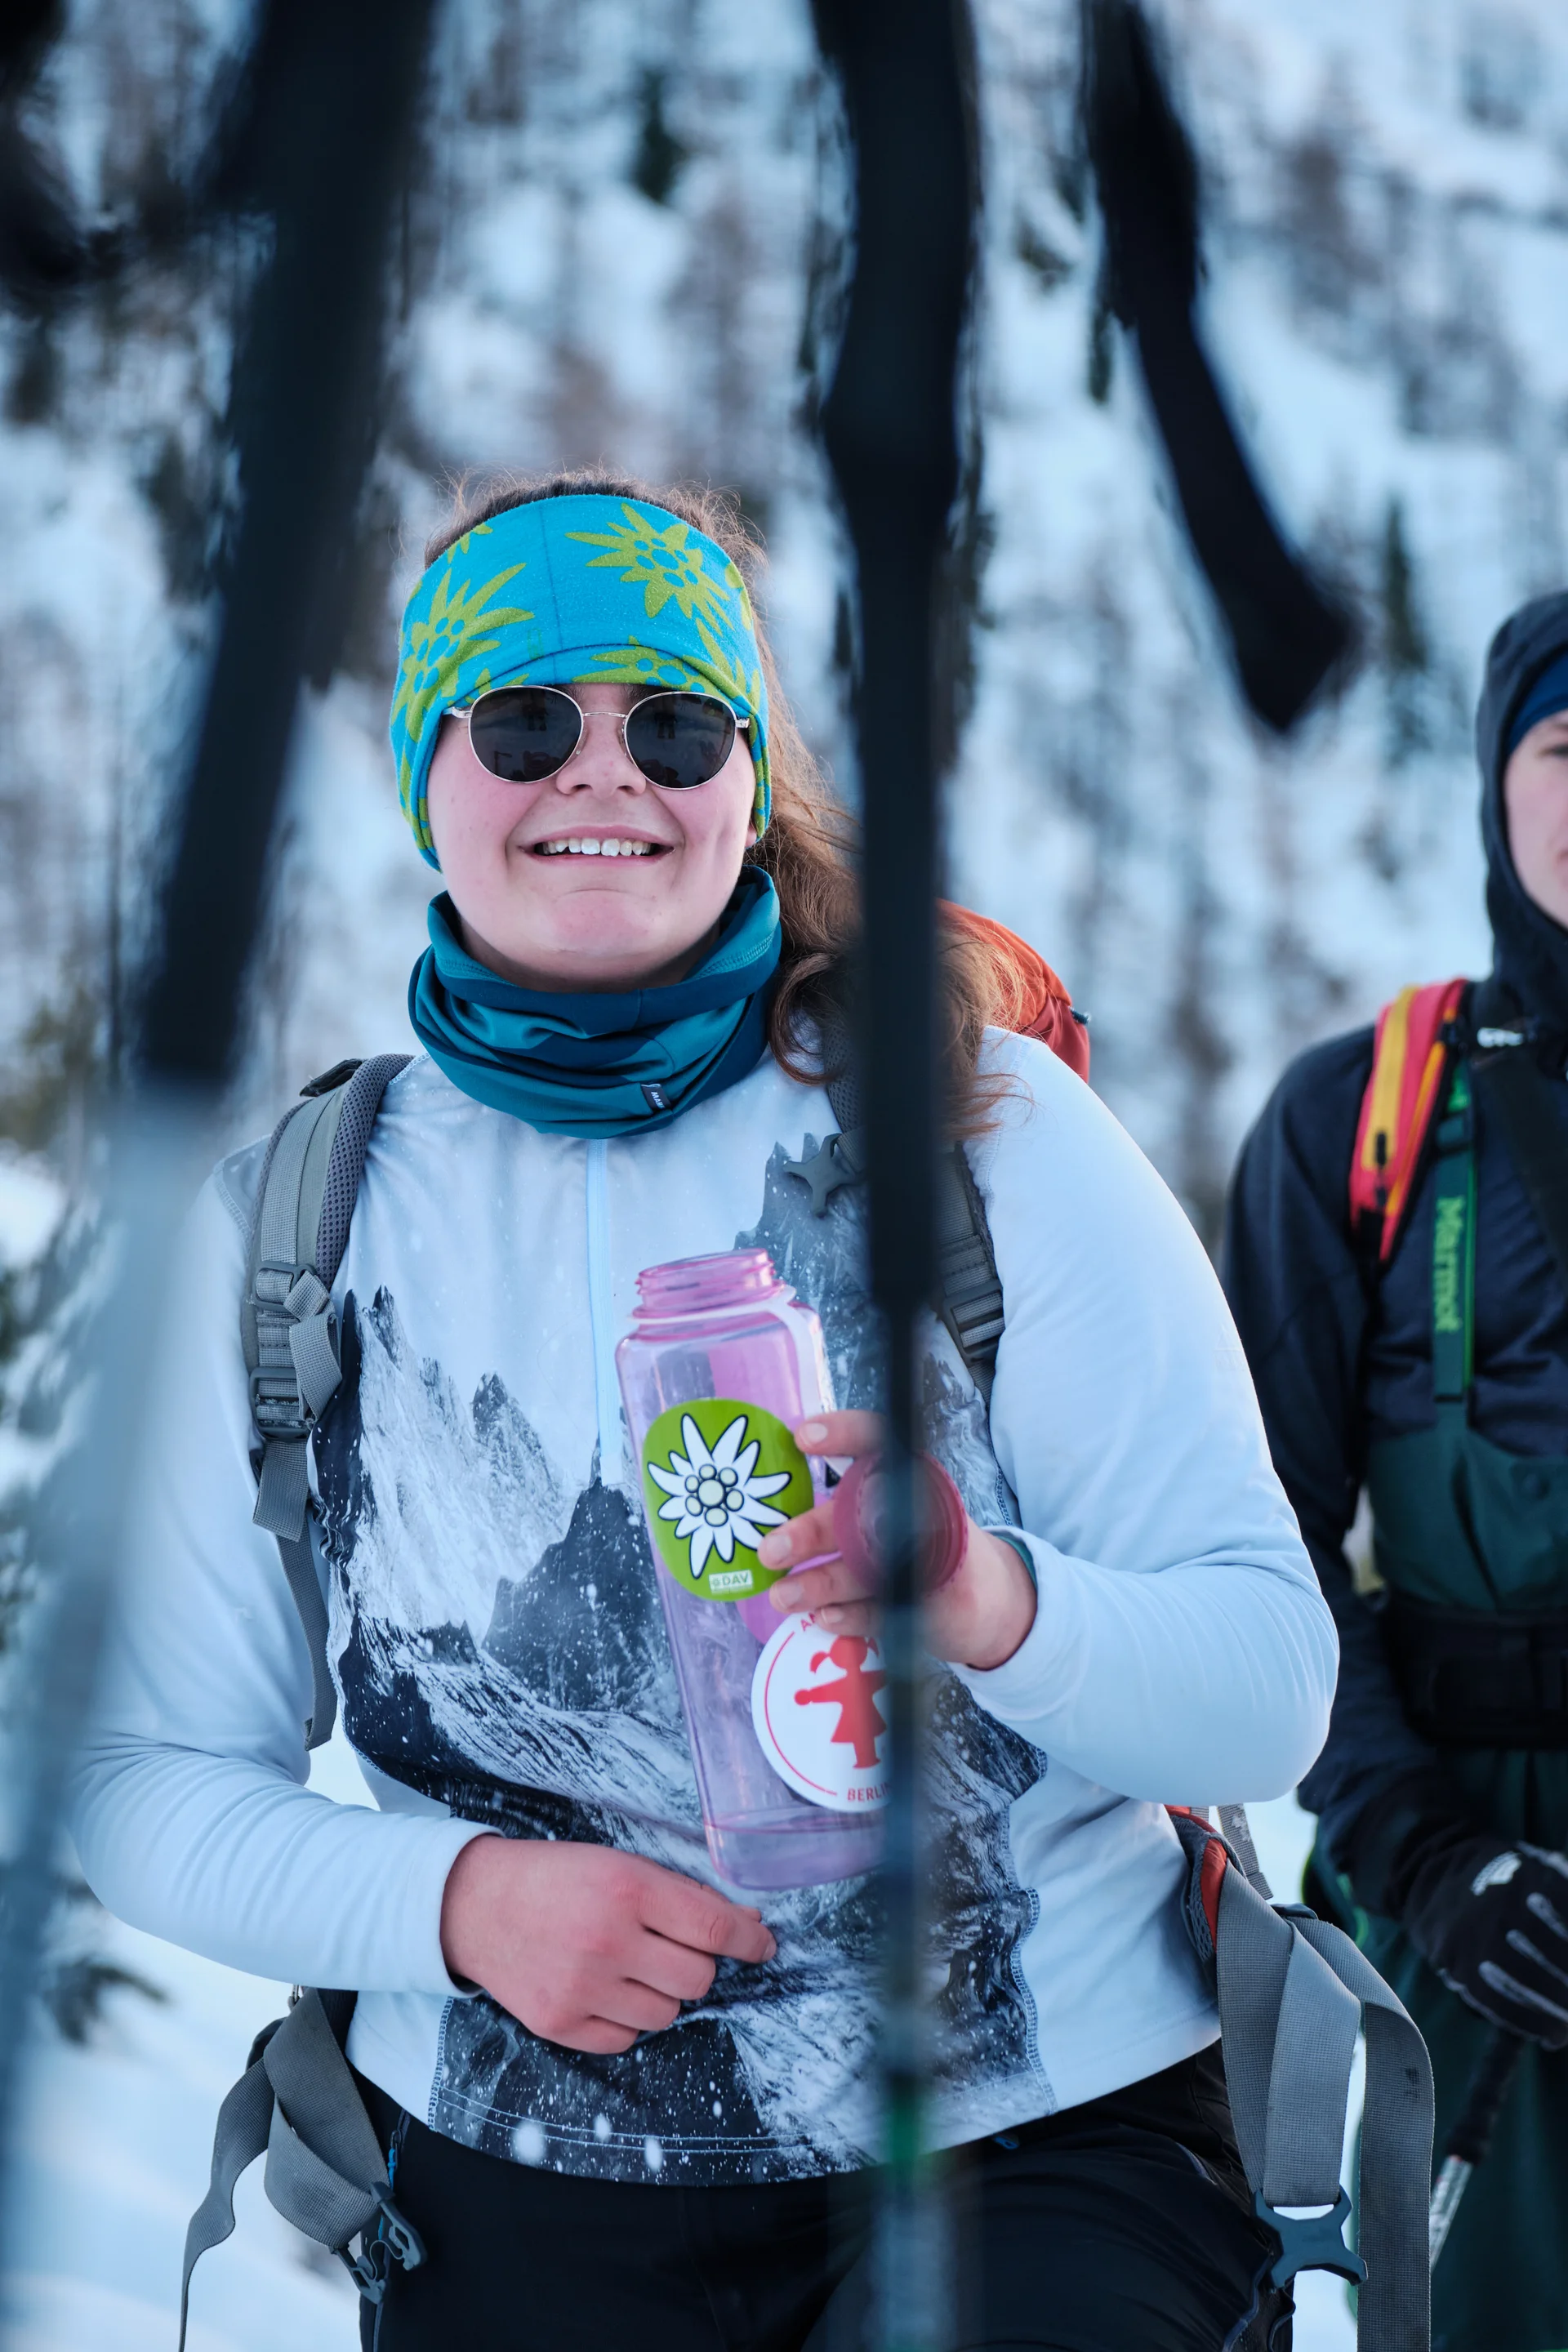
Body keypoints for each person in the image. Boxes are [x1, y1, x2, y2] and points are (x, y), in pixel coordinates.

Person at [73, 470, 1334, 2351]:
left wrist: (992, 1602)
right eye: (522, 720)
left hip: (1039, 2145)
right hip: (521, 2183)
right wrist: (459, 1901)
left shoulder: (985, 1132)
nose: (601, 774)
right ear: (427, 770)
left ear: (749, 776)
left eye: (671, 721)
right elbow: (140, 1782)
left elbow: (1265, 1681)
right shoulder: (296, 1222)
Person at [1224, 592, 1568, 2352]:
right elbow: (1257, 1540)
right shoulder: (1356, 1120)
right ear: (1496, 793)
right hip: (1458, 1885)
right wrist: (1417, 1852)